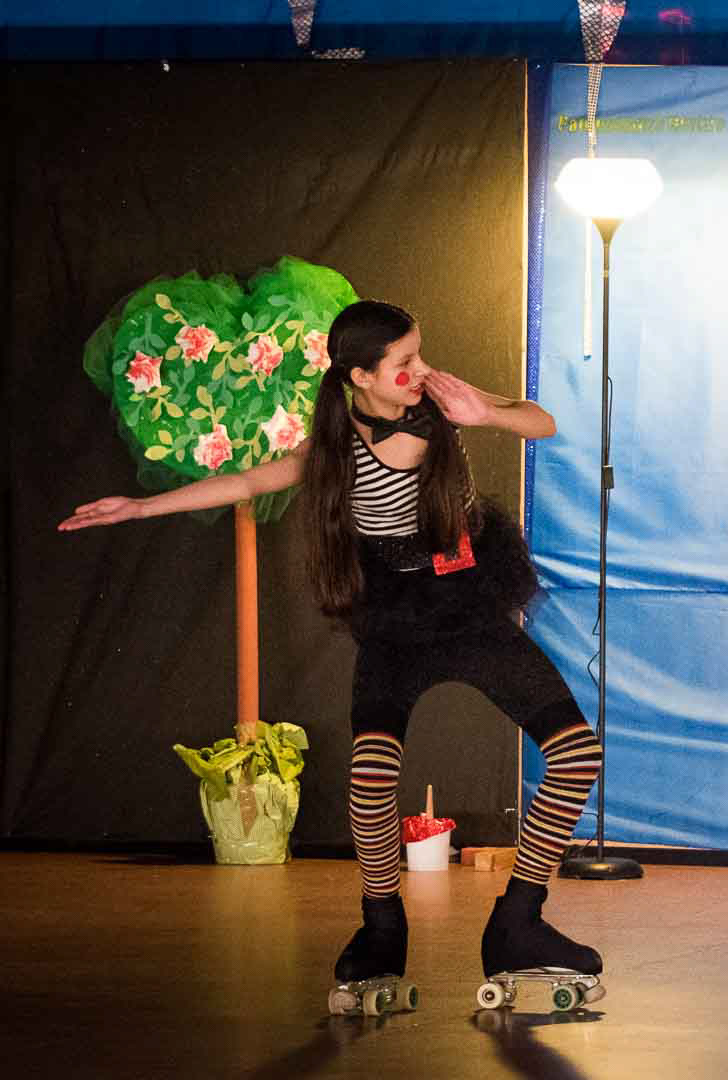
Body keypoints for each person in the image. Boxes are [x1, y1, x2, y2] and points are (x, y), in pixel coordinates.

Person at [62, 300, 607, 1009]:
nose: (420, 369)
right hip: (395, 619)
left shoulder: (441, 401)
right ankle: (381, 927)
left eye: (419, 352)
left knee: (577, 754)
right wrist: (140, 507)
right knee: (371, 776)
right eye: (403, 362)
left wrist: (486, 413)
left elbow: (542, 421)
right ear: (360, 378)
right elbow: (248, 482)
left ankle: (518, 922)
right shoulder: (335, 448)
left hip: (468, 603)